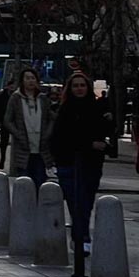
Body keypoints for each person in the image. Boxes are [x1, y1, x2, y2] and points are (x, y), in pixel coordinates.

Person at [50, 70, 113, 256]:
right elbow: (62, 138)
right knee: (76, 203)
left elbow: (104, 136)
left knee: (86, 203)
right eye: (76, 85)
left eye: (83, 85)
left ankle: (80, 237)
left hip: (91, 164)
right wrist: (89, 143)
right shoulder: (65, 110)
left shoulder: (97, 109)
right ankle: (82, 238)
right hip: (69, 163)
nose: (79, 89)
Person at [3, 66, 52, 189]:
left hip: (41, 148)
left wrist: (47, 133)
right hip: (23, 147)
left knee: (40, 182)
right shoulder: (15, 98)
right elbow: (7, 120)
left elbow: (51, 117)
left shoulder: (43, 99)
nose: (31, 81)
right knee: (25, 184)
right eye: (27, 78)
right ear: (22, 81)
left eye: (33, 78)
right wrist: (18, 134)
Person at [0, 80, 14, 168]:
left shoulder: (16, 96)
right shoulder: (1, 96)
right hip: (4, 121)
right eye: (11, 86)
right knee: (4, 142)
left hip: (14, 122)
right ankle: (3, 158)